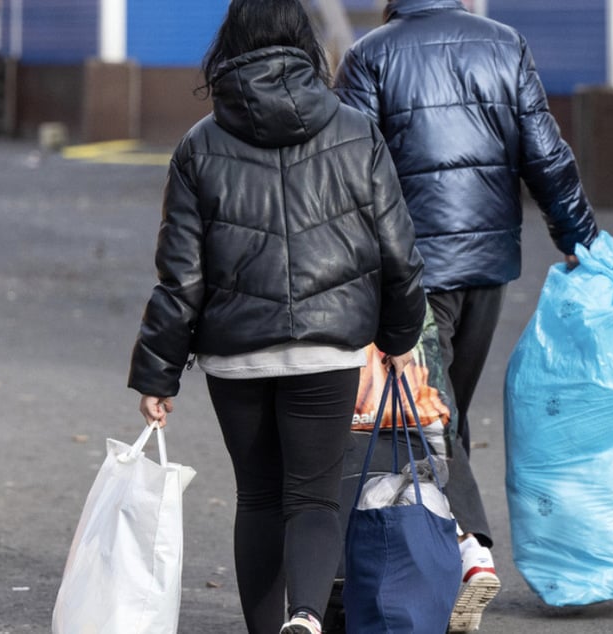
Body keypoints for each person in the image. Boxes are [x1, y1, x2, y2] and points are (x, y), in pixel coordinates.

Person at [127, 2, 426, 632]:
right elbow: (398, 250)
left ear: (229, 44)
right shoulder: (355, 130)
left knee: (259, 498)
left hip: (236, 356)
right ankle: (308, 616)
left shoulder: (198, 144)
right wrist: (399, 336)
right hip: (330, 348)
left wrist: (159, 373)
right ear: (304, 42)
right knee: (314, 497)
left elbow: (180, 275)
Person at [334, 1, 600, 631]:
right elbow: (546, 152)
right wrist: (579, 239)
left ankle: (469, 550)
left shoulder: (371, 54)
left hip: (411, 272)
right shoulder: (504, 43)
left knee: (429, 416)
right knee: (442, 412)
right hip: (488, 266)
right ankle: (443, 555)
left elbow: (348, 168)